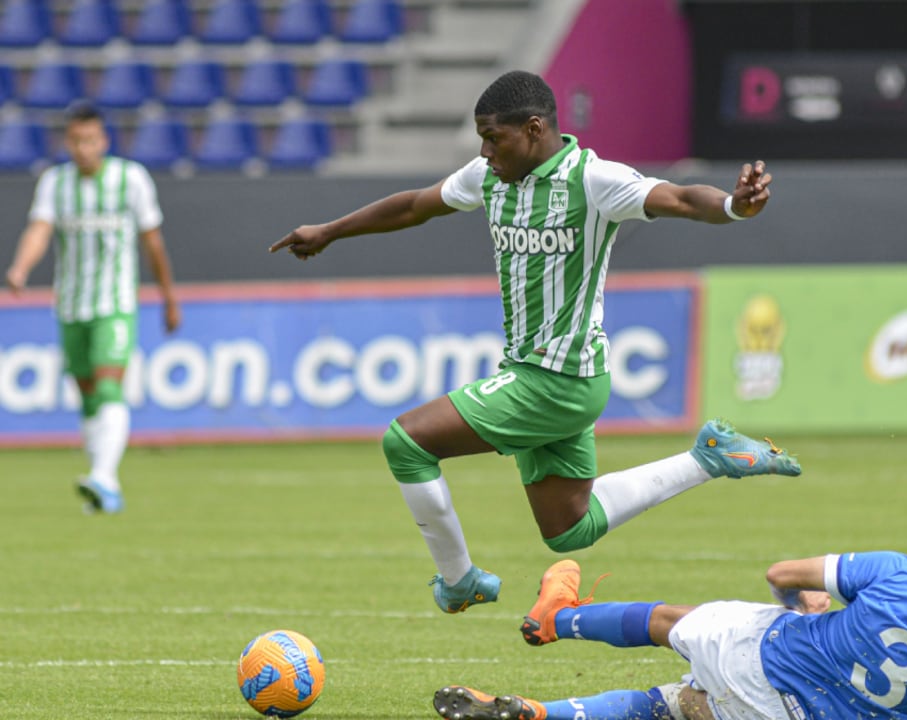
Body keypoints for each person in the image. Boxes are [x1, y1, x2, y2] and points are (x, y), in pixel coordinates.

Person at [269, 70, 801, 614]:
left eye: (493, 138)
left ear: (533, 128)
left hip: (557, 379)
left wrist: (736, 206)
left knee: (406, 443)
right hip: (552, 377)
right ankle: (708, 459)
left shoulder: (592, 180)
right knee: (569, 529)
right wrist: (330, 230)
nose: (484, 150)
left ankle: (458, 580)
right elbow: (414, 206)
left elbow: (683, 198)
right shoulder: (489, 177)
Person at [434, 518, 907, 720]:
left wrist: (810, 601)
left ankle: (558, 620)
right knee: (678, 707)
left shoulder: (899, 575)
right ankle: (538, 714)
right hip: (792, 719)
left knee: (679, 619)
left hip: (765, 657)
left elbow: (781, 576)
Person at [5, 101, 181, 514]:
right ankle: (106, 486)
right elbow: (40, 229)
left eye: (90, 140)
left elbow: (152, 242)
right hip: (70, 305)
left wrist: (169, 297)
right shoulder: (55, 182)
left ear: (103, 140)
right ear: (67, 142)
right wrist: (20, 267)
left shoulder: (131, 179)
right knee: (86, 397)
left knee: (107, 387)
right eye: (76, 141)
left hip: (115, 303)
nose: (83, 148)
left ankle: (102, 477)